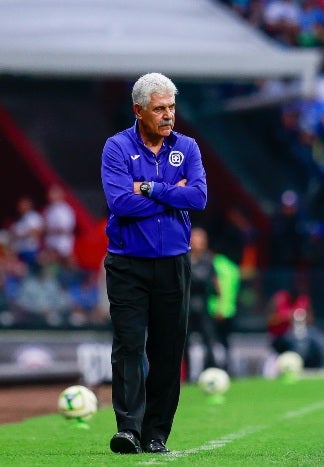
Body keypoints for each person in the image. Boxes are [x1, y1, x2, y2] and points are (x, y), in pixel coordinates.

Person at [101, 72, 207, 455]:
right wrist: (170, 193)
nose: (168, 115)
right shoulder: (116, 148)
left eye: (172, 107)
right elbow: (119, 203)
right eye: (159, 108)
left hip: (174, 264)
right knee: (129, 345)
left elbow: (197, 198)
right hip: (128, 264)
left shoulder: (188, 148)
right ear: (138, 110)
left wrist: (146, 187)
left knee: (167, 350)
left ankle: (155, 433)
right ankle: (128, 429)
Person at [185, 227, 219, 379]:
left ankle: (210, 373)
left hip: (203, 307)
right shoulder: (183, 258)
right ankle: (186, 376)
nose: (199, 241)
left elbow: (214, 284)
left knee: (209, 341)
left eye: (201, 238)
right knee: (184, 344)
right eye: (196, 237)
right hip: (185, 307)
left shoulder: (209, 261)